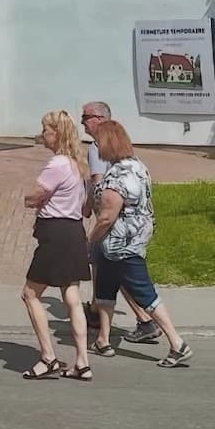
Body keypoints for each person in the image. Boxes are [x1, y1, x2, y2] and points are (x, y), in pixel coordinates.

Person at [88, 119, 193, 369]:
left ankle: (177, 344)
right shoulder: (137, 166)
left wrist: (89, 239)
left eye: (98, 142)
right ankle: (103, 340)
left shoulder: (119, 175)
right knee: (105, 287)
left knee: (144, 292)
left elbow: (106, 216)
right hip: (122, 243)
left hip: (123, 244)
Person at [20, 110, 93, 381]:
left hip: (56, 234)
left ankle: (48, 357)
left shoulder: (58, 164)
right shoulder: (77, 163)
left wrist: (28, 200)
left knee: (30, 294)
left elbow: (37, 194)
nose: (42, 134)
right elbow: (85, 203)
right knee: (72, 297)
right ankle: (82, 362)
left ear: (57, 133)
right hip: (74, 232)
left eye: (46, 129)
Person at [79, 101, 160, 345]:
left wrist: (86, 209)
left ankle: (145, 320)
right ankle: (105, 323)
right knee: (113, 271)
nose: (82, 121)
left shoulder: (97, 146)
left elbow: (97, 182)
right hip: (130, 220)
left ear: (100, 118)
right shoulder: (120, 145)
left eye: (86, 116)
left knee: (114, 269)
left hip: (112, 219)